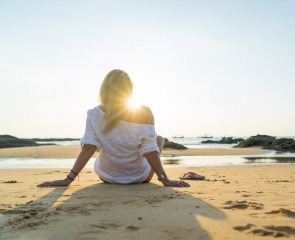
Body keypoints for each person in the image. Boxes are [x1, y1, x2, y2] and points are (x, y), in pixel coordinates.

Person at [38, 69, 190, 188]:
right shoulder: (143, 112)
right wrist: (165, 180)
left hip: (107, 176)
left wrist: (68, 179)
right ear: (129, 90)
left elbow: (89, 148)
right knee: (159, 140)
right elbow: (150, 150)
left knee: (151, 141)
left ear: (104, 89)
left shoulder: (93, 114)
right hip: (139, 178)